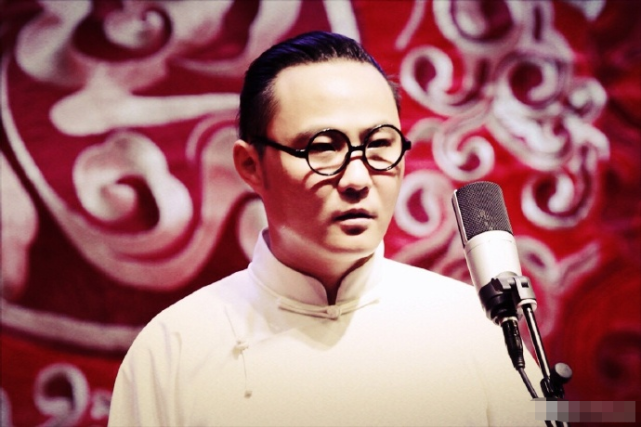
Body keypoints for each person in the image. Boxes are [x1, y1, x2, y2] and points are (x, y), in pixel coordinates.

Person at [109, 31, 542, 426]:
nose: (356, 179)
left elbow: (553, 415)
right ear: (251, 165)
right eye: (322, 148)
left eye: (379, 144)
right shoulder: (174, 350)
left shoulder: (478, 329)